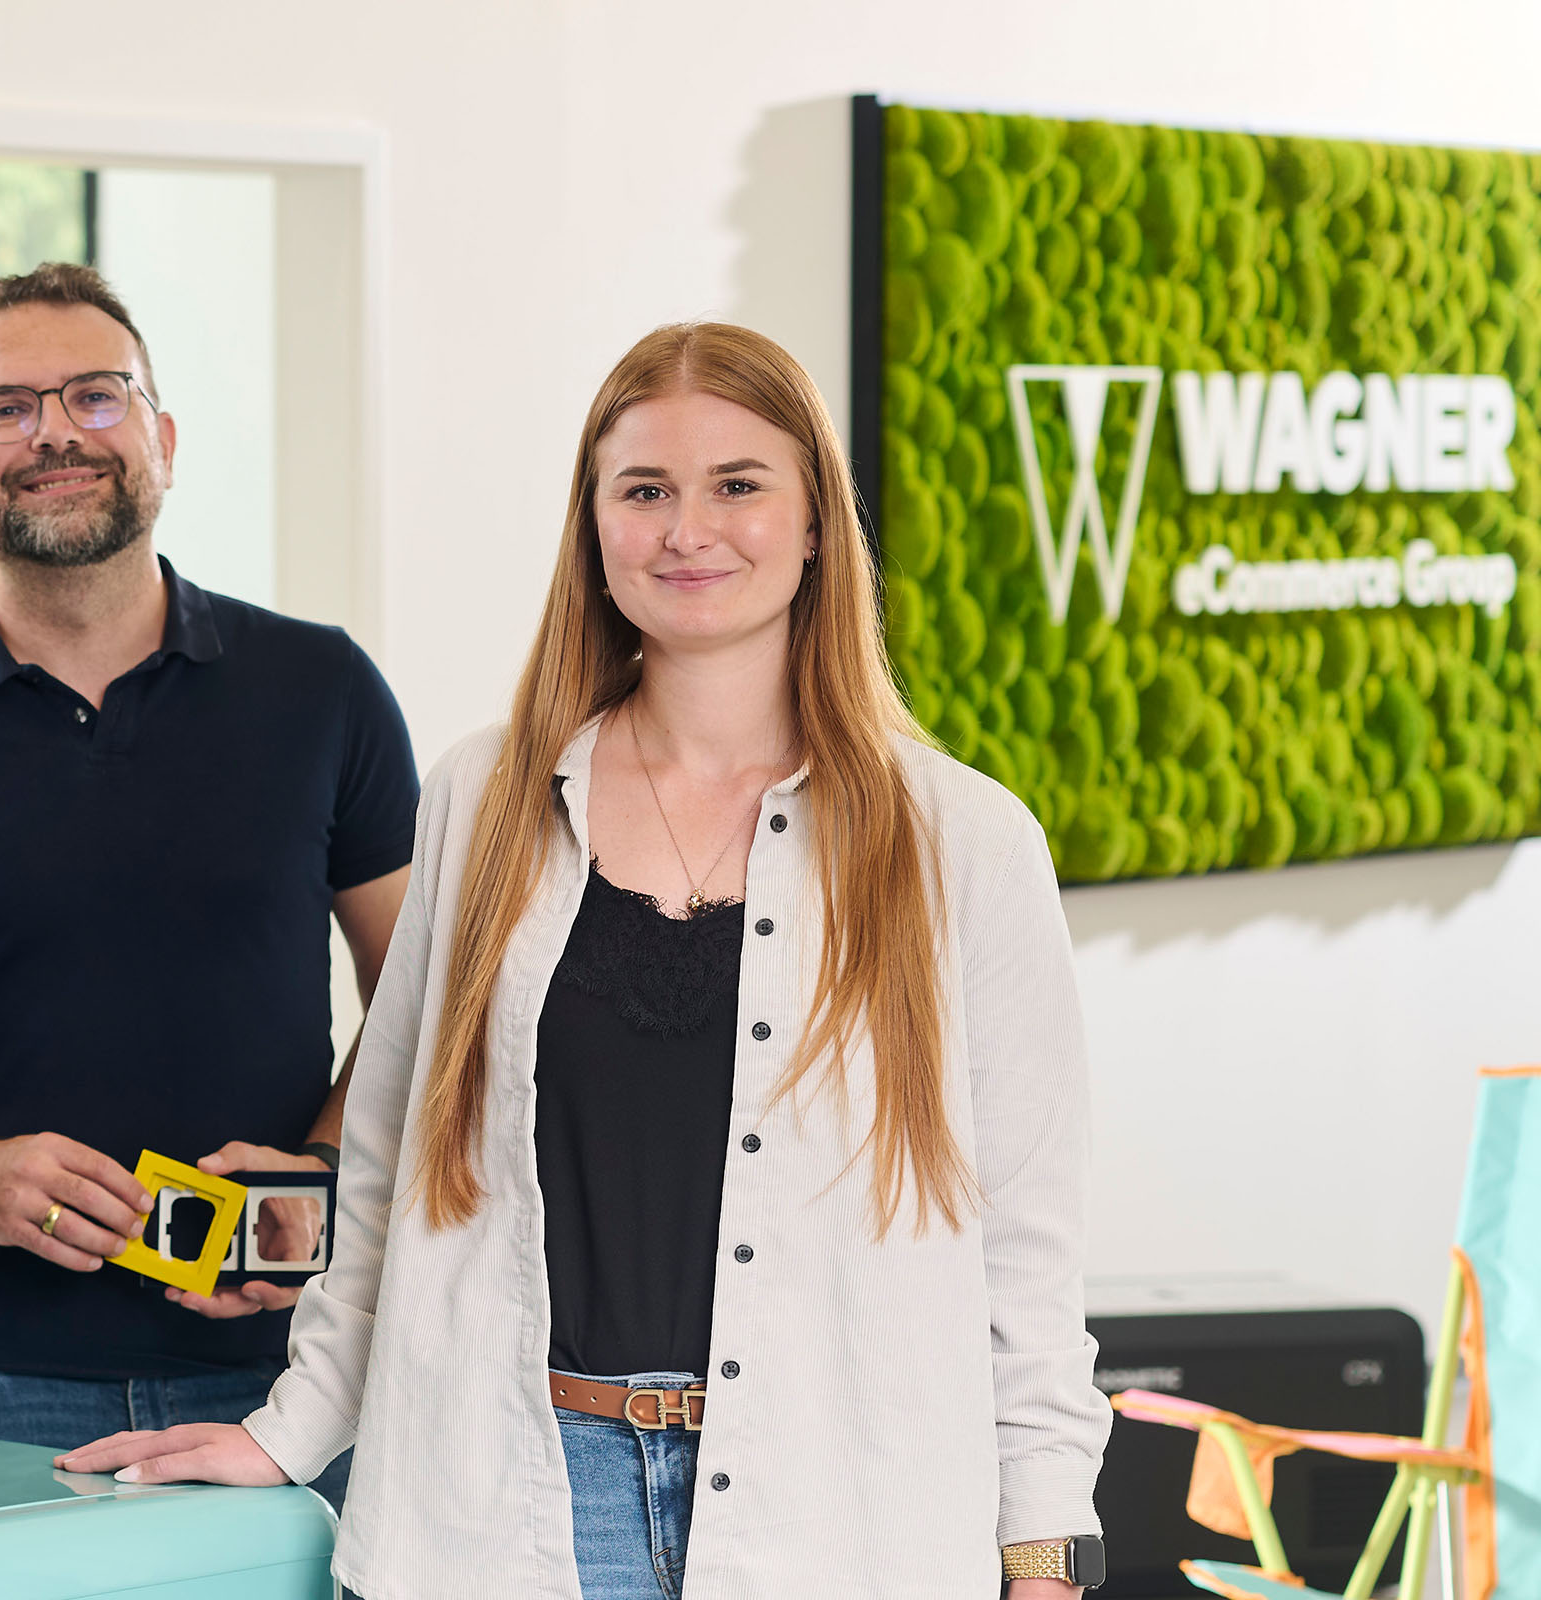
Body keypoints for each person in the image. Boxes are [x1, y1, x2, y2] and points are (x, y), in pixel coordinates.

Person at [58, 323, 1109, 1599]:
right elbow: (392, 1165)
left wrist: (1044, 1549)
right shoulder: (486, 798)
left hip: (843, 1517)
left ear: (819, 520)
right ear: (595, 524)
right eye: (645, 490)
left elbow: (1028, 1243)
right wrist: (294, 1427)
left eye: (737, 484)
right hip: (511, 1507)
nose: (688, 530)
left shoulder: (962, 840)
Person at [0, 263, 415, 1467]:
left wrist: (315, 1181)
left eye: (97, 395)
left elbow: (426, 1003)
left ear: (162, 439)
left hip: (287, 1371)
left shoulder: (322, 691)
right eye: (3, 408)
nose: (56, 430)